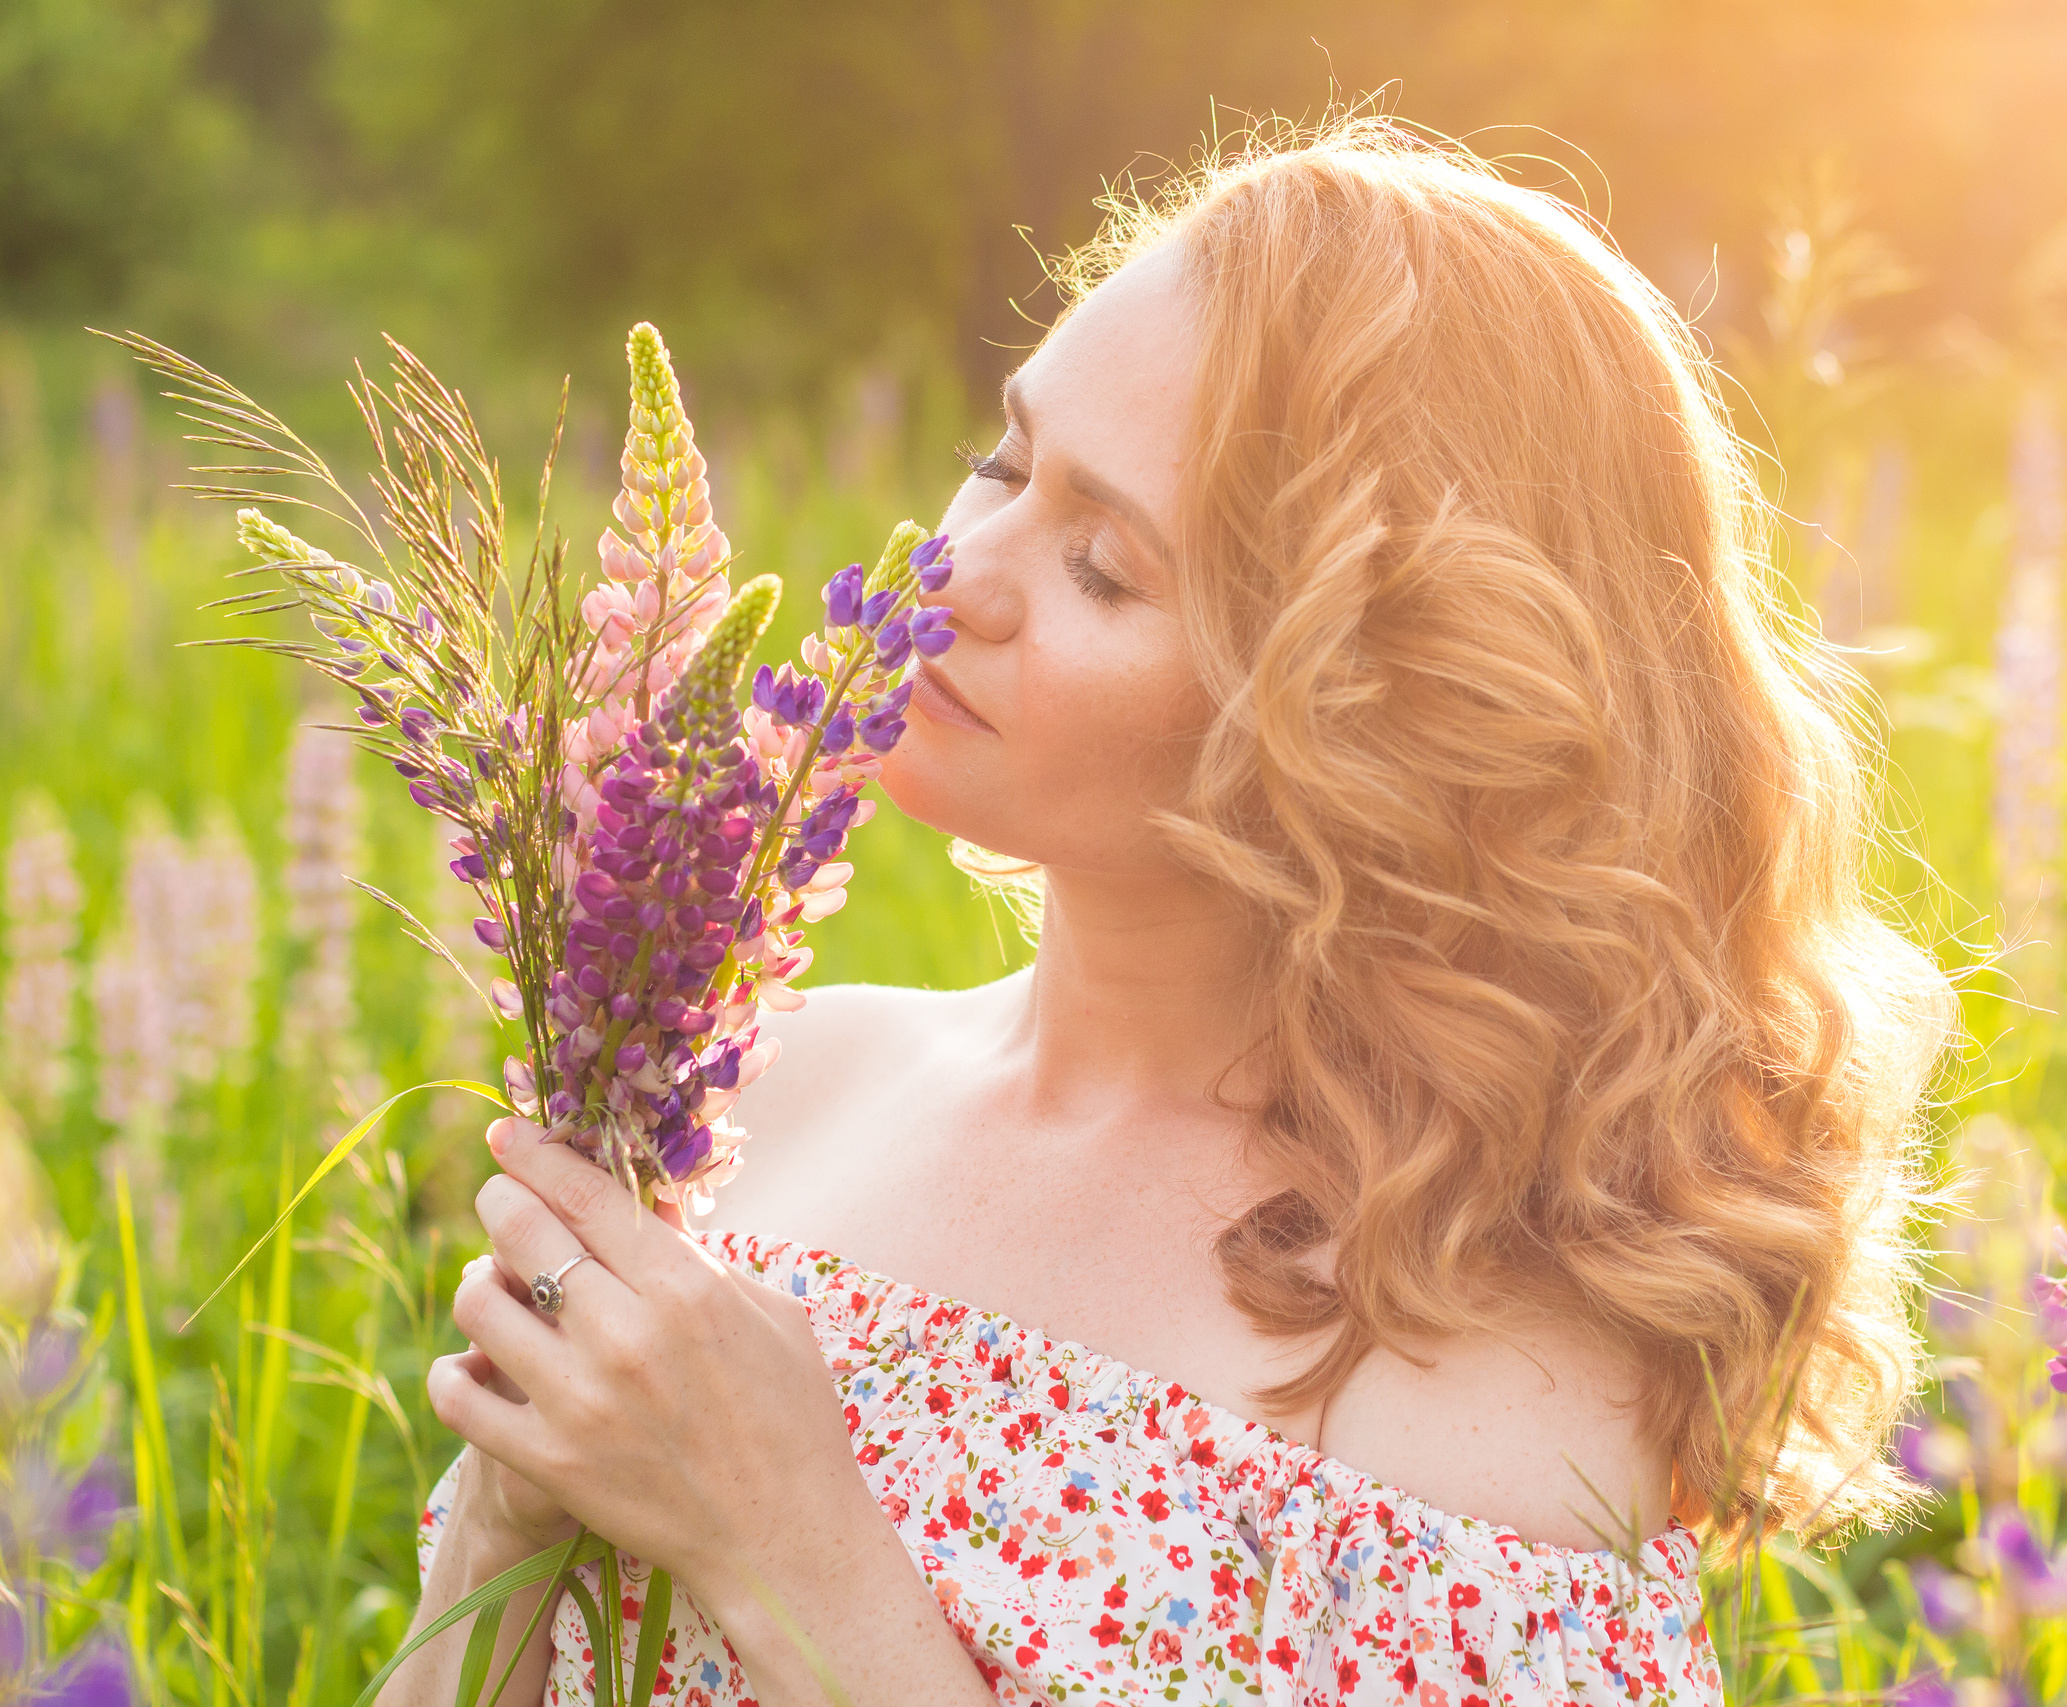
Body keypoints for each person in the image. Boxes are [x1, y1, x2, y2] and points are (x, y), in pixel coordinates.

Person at [388, 116, 1954, 1706]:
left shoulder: (1491, 1381)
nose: (958, 576)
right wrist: (513, 1517)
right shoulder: (768, 1093)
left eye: (1104, 566)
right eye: (1003, 460)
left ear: (1372, 712)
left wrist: (796, 1555)